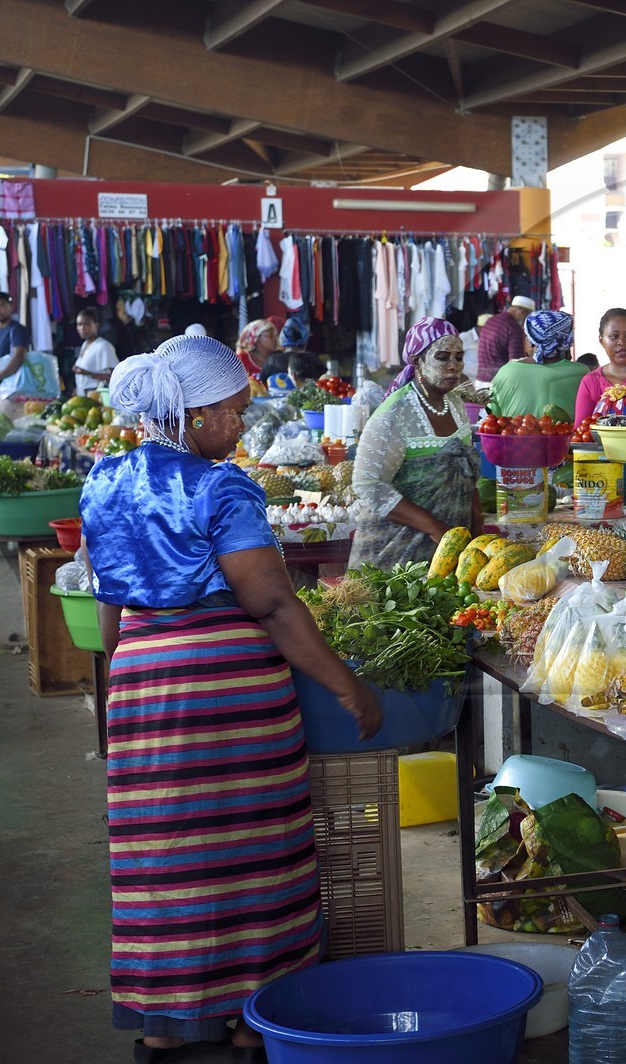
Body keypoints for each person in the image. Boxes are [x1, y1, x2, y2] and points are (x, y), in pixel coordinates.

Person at [80, 334, 381, 1062]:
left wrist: (121, 683)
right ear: (199, 413)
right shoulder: (222, 488)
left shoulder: (103, 480)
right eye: (236, 411)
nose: (243, 425)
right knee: (254, 852)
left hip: (142, 686)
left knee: (164, 854)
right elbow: (274, 605)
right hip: (228, 698)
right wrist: (348, 686)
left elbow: (110, 610)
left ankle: (164, 1026)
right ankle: (255, 1020)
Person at [349, 318, 477, 569]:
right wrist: (435, 528)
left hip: (449, 549)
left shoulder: (456, 405)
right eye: (442, 357)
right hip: (396, 555)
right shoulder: (395, 413)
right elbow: (368, 484)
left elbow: (465, 470)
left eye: (459, 357)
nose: (454, 366)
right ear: (417, 361)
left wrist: (477, 520)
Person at [487, 309, 589, 418]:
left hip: (514, 435)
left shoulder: (507, 372)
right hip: (569, 435)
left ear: (531, 342)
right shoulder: (582, 372)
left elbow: (493, 417)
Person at [474, 295, 534, 386]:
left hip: (480, 381)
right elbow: (516, 363)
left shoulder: (491, 320)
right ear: (523, 312)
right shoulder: (514, 328)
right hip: (497, 384)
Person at [73, 308, 118, 395]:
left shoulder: (103, 346)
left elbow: (116, 375)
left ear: (96, 325)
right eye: (79, 324)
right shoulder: (85, 344)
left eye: (87, 324)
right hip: (83, 395)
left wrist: (88, 374)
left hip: (97, 396)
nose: (82, 328)